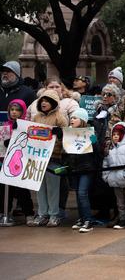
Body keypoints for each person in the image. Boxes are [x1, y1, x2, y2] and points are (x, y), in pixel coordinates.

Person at [28, 89, 68, 227]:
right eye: (42, 101)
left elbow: (68, 138)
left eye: (47, 101)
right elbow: (29, 133)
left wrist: (61, 134)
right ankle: (42, 214)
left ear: (53, 103)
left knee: (53, 188)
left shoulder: (60, 117)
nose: (44, 103)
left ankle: (54, 215)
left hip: (54, 158)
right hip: (38, 158)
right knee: (39, 188)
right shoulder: (36, 117)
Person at [0, 99, 34, 225]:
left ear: (23, 111)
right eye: (12, 110)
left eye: (17, 110)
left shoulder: (27, 126)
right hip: (6, 163)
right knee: (4, 190)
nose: (14, 112)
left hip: (21, 162)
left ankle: (29, 213)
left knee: (22, 190)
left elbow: (30, 143)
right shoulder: (5, 126)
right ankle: (4, 213)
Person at [90, 83, 120, 222]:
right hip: (98, 149)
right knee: (99, 183)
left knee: (112, 182)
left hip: (113, 149)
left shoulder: (118, 111)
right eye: (104, 94)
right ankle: (103, 211)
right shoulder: (98, 110)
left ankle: (116, 211)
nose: (106, 97)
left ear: (116, 97)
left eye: (109, 94)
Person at [64, 108, 97, 233]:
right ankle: (82, 218)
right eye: (71, 118)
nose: (72, 120)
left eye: (75, 118)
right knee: (78, 193)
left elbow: (97, 152)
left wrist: (95, 142)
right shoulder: (69, 133)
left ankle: (88, 220)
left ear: (82, 120)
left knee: (82, 193)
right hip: (74, 168)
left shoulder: (89, 133)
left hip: (86, 168)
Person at [102, 122, 125, 230]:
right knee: (120, 203)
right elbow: (105, 164)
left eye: (118, 135)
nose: (116, 137)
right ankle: (122, 221)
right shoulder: (110, 150)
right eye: (114, 135)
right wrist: (107, 177)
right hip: (115, 180)